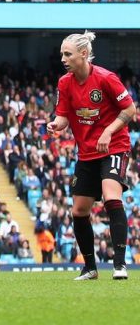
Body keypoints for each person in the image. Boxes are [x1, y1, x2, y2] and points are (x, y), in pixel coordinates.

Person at [47, 31, 136, 281]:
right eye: (62, 53)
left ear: (83, 54)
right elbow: (63, 116)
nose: (63, 58)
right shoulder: (65, 83)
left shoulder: (107, 78)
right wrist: (56, 124)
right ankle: (90, 267)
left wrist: (107, 132)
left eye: (68, 54)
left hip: (114, 147)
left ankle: (119, 265)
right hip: (86, 153)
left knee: (110, 197)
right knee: (79, 211)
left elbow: (130, 109)